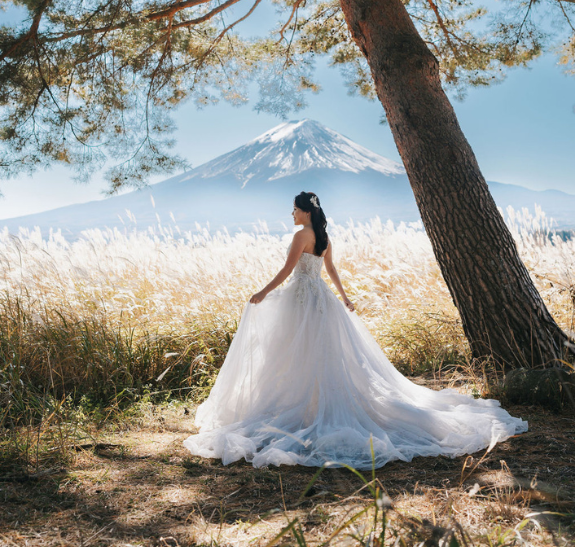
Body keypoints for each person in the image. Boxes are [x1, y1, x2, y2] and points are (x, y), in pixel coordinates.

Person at [182, 191, 528, 469]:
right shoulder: (322, 237)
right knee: (321, 355)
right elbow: (330, 271)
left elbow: (288, 270)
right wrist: (344, 299)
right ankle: (312, 405)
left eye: (294, 210)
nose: (291, 215)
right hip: (321, 300)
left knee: (294, 353)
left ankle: (308, 408)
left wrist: (262, 292)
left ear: (304, 211)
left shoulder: (300, 234)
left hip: (301, 300)